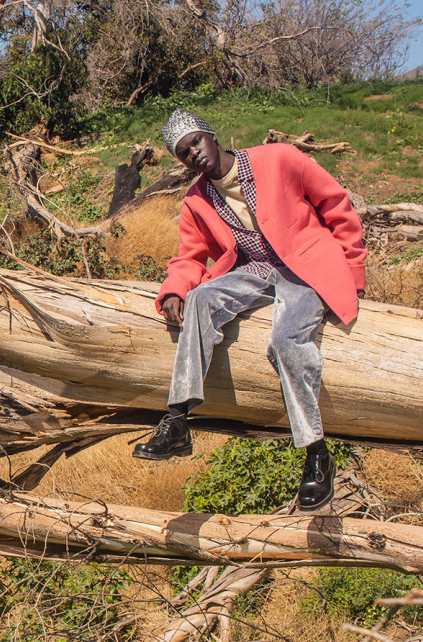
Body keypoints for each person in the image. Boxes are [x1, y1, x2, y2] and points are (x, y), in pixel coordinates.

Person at [132, 110, 367, 512]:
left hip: (305, 266)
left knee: (286, 342)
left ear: (211, 135)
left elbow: (335, 203)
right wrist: (174, 290)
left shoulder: (279, 158)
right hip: (254, 270)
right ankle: (177, 420)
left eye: (196, 143)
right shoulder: (196, 200)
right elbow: (190, 256)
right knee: (201, 299)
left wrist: (352, 270)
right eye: (184, 154)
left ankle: (316, 455)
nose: (194, 155)